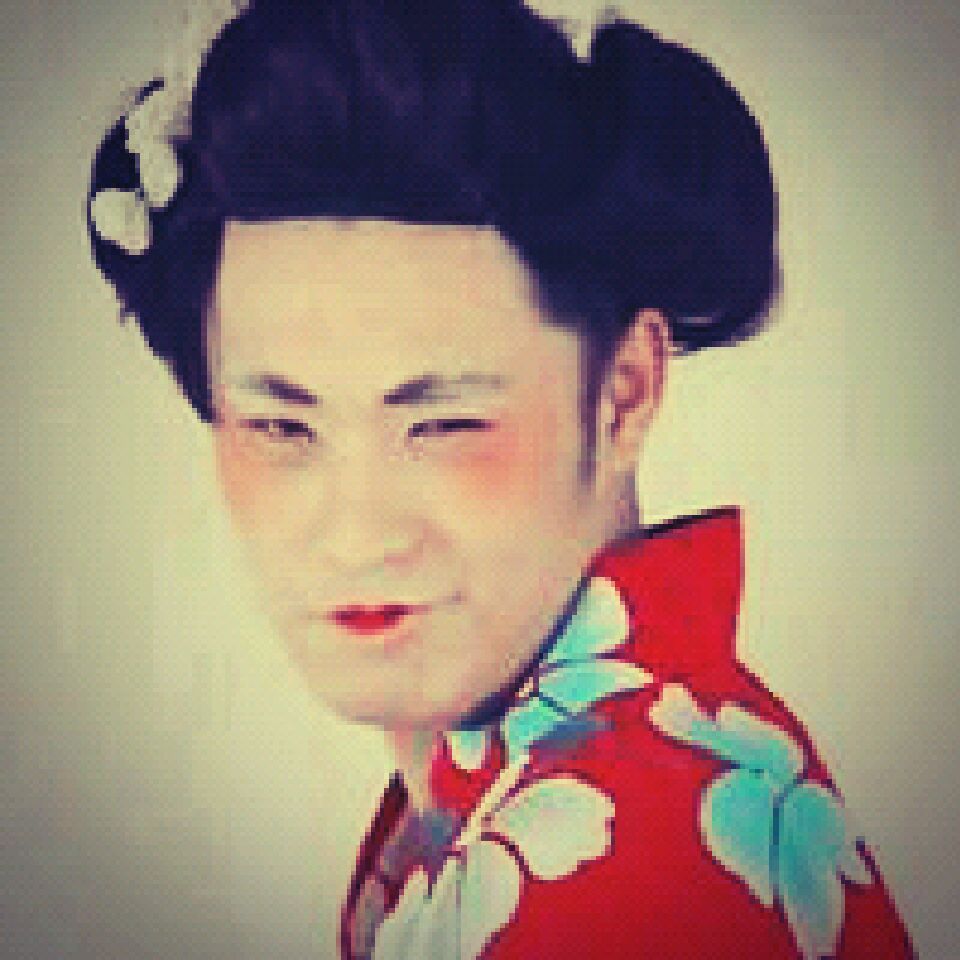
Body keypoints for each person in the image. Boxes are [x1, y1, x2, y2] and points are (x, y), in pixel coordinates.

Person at [85, 1, 915, 957]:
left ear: (625, 391)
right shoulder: (543, 776)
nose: (356, 534)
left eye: (442, 425)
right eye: (282, 426)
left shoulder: (631, 864)